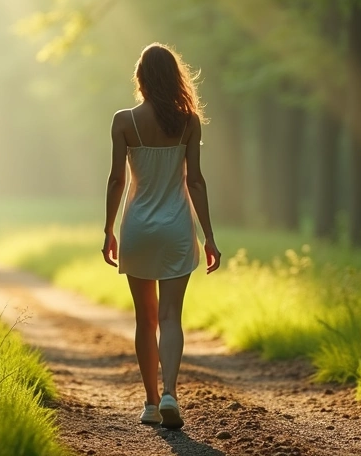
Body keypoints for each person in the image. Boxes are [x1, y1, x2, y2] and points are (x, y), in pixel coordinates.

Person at [102, 43, 221, 430]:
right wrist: (210, 237)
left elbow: (118, 179)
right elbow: (196, 181)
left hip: (137, 227)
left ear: (140, 78)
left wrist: (107, 229)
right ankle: (170, 392)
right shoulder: (189, 122)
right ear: (174, 77)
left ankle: (151, 404)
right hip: (176, 229)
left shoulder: (124, 120)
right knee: (171, 316)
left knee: (145, 318)